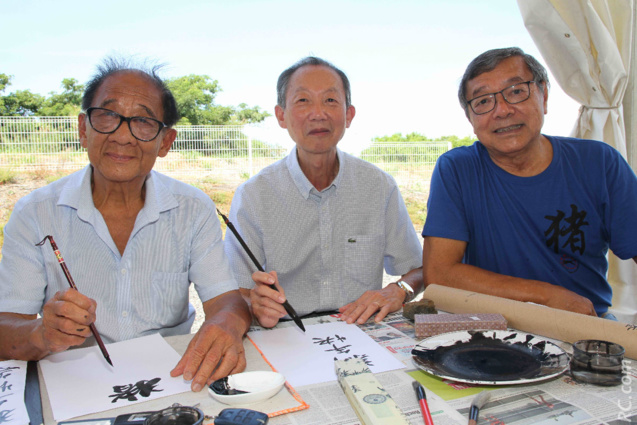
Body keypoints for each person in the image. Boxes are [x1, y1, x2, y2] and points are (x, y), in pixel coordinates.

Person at [0, 58, 251, 392]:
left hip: (171, 379)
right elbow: (6, 327)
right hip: (71, 388)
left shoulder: (193, 209)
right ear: (82, 129)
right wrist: (41, 333)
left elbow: (226, 302)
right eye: (107, 115)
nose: (122, 136)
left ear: (165, 142)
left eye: (144, 122)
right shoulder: (35, 213)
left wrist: (227, 326)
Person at [422, 47, 637, 318]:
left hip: (586, 325)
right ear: (471, 118)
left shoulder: (599, 162)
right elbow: (439, 274)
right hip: (494, 326)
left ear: (543, 95)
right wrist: (547, 296)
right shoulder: (457, 169)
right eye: (483, 101)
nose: (502, 111)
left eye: (515, 92)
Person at [224, 57, 423, 328]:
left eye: (330, 101)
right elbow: (236, 292)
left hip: (362, 330)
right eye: (303, 101)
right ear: (281, 116)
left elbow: (418, 269)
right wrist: (253, 304)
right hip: (286, 333)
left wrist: (397, 290)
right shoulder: (254, 196)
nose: (318, 113)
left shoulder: (379, 187)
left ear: (348, 115)